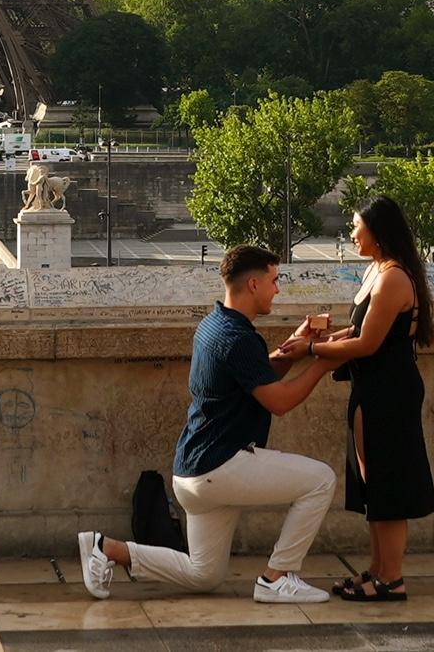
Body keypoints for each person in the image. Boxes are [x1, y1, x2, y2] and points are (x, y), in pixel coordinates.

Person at [77, 244, 337, 606]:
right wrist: (323, 361)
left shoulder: (215, 324)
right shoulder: (239, 338)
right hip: (222, 465)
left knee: (205, 574)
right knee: (321, 480)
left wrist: (295, 346)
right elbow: (279, 401)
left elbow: (254, 375)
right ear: (253, 285)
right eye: (274, 281)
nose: (278, 289)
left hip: (194, 472)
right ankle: (277, 577)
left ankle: (105, 548)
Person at [308, 195, 434, 602]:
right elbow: (355, 330)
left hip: (389, 391)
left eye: (355, 226)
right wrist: (320, 340)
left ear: (377, 233)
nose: (350, 233)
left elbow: (367, 343)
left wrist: (312, 353)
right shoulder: (377, 271)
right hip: (374, 387)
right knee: (374, 484)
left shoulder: (394, 278)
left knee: (387, 485)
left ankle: (391, 579)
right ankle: (378, 571)